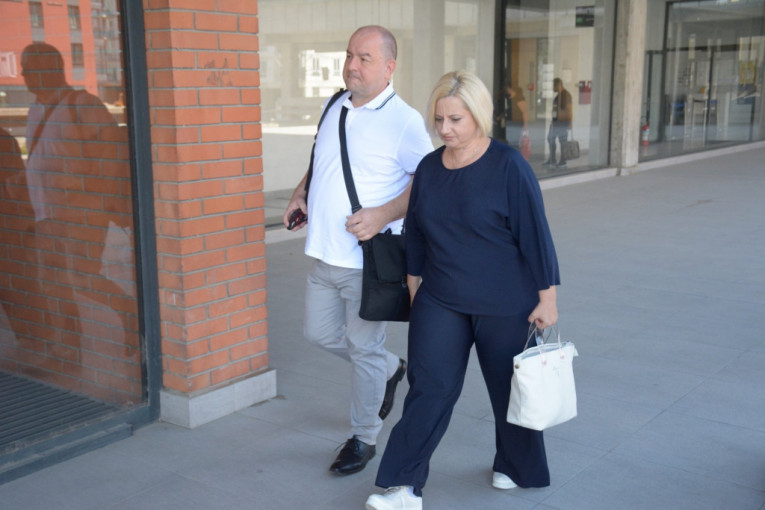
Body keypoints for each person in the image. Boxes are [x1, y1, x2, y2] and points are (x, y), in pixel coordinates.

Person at [366, 70, 560, 510]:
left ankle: (515, 464)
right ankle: (402, 486)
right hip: (441, 298)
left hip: (506, 301)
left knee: (509, 389)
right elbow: (416, 234)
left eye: (455, 119)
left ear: (478, 115)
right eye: (439, 119)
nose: (445, 129)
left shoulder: (509, 166)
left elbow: (535, 235)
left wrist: (547, 298)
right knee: (428, 389)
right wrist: (415, 290)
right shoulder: (430, 168)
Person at [282, 26, 433, 476]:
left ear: (389, 67)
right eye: (350, 55)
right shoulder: (335, 104)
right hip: (325, 252)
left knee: (363, 349)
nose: (352, 65)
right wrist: (301, 192)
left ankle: (364, 437)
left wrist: (383, 213)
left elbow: (427, 182)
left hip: (369, 262)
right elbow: (321, 158)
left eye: (365, 58)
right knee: (318, 333)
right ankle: (389, 368)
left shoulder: (404, 120)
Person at [544, 77, 572, 168]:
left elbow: (569, 109)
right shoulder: (558, 96)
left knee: (562, 142)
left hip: (562, 122)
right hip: (555, 122)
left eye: (554, 86)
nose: (553, 88)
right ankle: (552, 159)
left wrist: (570, 122)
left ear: (558, 85)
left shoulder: (566, 95)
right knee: (550, 138)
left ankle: (563, 161)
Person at [496, 82, 528, 150]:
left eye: (506, 88)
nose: (505, 90)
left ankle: (515, 154)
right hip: (510, 123)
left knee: (514, 142)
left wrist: (525, 126)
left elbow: (524, 112)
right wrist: (500, 117)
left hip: (517, 123)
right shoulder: (510, 98)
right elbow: (508, 110)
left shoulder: (519, 98)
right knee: (510, 141)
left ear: (510, 89)